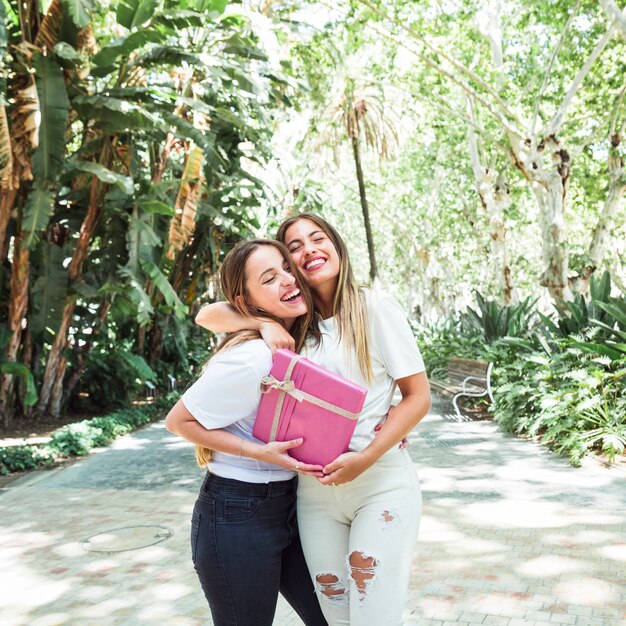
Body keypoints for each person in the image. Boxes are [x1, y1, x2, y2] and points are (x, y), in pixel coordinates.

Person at [196, 213, 431, 626]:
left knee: (373, 613)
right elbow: (208, 314)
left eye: (317, 238)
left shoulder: (373, 307)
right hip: (312, 495)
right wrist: (262, 322)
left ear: (337, 244)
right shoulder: (295, 322)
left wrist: (370, 452)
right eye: (295, 247)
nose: (308, 250)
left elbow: (418, 397)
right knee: (335, 617)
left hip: (378, 484)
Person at [164, 239, 328, 626]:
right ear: (248, 301)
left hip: (290, 506)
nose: (289, 280)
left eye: (287, 268)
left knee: (333, 617)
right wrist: (260, 453)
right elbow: (178, 422)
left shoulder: (299, 338)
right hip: (238, 514)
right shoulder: (253, 355)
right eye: (270, 278)